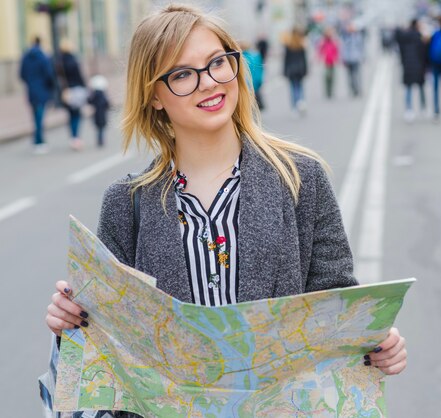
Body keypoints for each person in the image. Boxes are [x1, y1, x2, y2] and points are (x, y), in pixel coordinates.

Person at [44, 4, 408, 416]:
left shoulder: (300, 178)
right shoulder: (126, 203)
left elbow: (335, 307)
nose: (209, 83)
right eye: (182, 74)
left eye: (218, 62)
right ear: (154, 96)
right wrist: (71, 323)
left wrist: (377, 342)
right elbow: (110, 347)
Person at [19, 36, 56, 155]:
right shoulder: (43, 57)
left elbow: (21, 74)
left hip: (31, 90)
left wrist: (30, 82)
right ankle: (39, 141)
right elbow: (49, 74)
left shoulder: (25, 57)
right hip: (42, 90)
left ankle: (37, 139)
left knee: (35, 115)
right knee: (40, 116)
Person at [56, 39, 87, 150]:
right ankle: (76, 138)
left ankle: (73, 137)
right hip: (76, 90)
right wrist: (85, 87)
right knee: (77, 114)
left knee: (70, 115)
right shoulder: (73, 61)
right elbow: (79, 76)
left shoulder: (59, 61)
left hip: (66, 91)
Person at [395, 19, 428, 122]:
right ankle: (423, 108)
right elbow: (424, 54)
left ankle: (409, 110)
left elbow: (396, 35)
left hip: (407, 66)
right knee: (421, 88)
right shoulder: (420, 37)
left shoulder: (404, 37)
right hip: (419, 66)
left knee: (408, 89)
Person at [282, 27, 308, 116]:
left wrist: (284, 71)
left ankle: (295, 106)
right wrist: (305, 70)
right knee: (300, 86)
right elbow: (304, 60)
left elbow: (286, 60)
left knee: (293, 88)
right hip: (300, 70)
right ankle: (301, 101)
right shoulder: (301, 45)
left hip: (291, 70)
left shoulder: (288, 45)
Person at [340, 22, 365, 97]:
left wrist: (362, 56)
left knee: (356, 74)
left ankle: (357, 89)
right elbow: (343, 48)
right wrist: (343, 58)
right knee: (350, 76)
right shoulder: (345, 37)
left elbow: (361, 47)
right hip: (348, 59)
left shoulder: (357, 37)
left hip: (355, 58)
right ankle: (352, 89)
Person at [87, 75, 110, 147]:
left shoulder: (94, 95)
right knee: (101, 129)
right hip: (102, 115)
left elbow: (89, 101)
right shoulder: (103, 95)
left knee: (98, 129)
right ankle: (100, 140)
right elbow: (107, 104)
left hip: (96, 115)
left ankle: (99, 140)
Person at [317, 26, 340, 99]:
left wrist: (336, 58)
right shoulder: (323, 41)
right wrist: (320, 58)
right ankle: (327, 91)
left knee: (332, 77)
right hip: (326, 61)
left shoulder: (334, 41)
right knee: (326, 76)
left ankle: (331, 91)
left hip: (332, 61)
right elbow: (320, 50)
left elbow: (337, 50)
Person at [241, 41, 265, 110]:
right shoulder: (256, 57)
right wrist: (259, 82)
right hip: (254, 84)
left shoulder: (238, 59)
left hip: (244, 85)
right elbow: (259, 71)